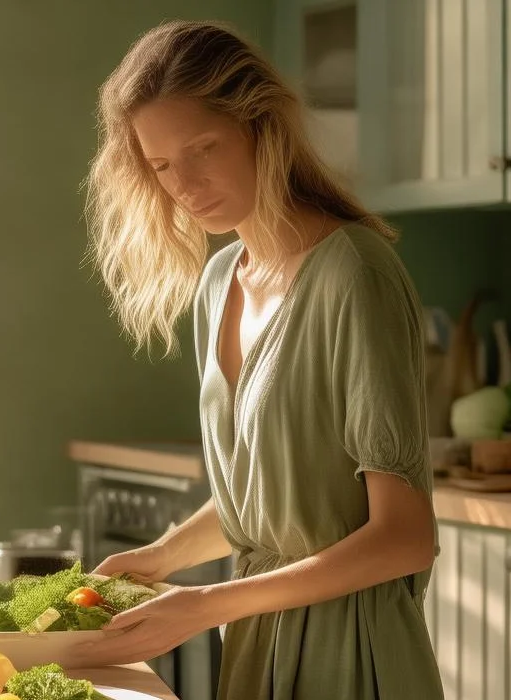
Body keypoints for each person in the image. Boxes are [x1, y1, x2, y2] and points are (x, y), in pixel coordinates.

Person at [74, 19, 444, 700]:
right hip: (257, 646)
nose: (183, 183)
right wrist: (162, 559)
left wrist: (205, 606)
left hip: (353, 654)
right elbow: (275, 503)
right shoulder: (220, 283)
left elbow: (405, 537)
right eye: (159, 166)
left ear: (261, 127)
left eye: (203, 148)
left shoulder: (354, 274)